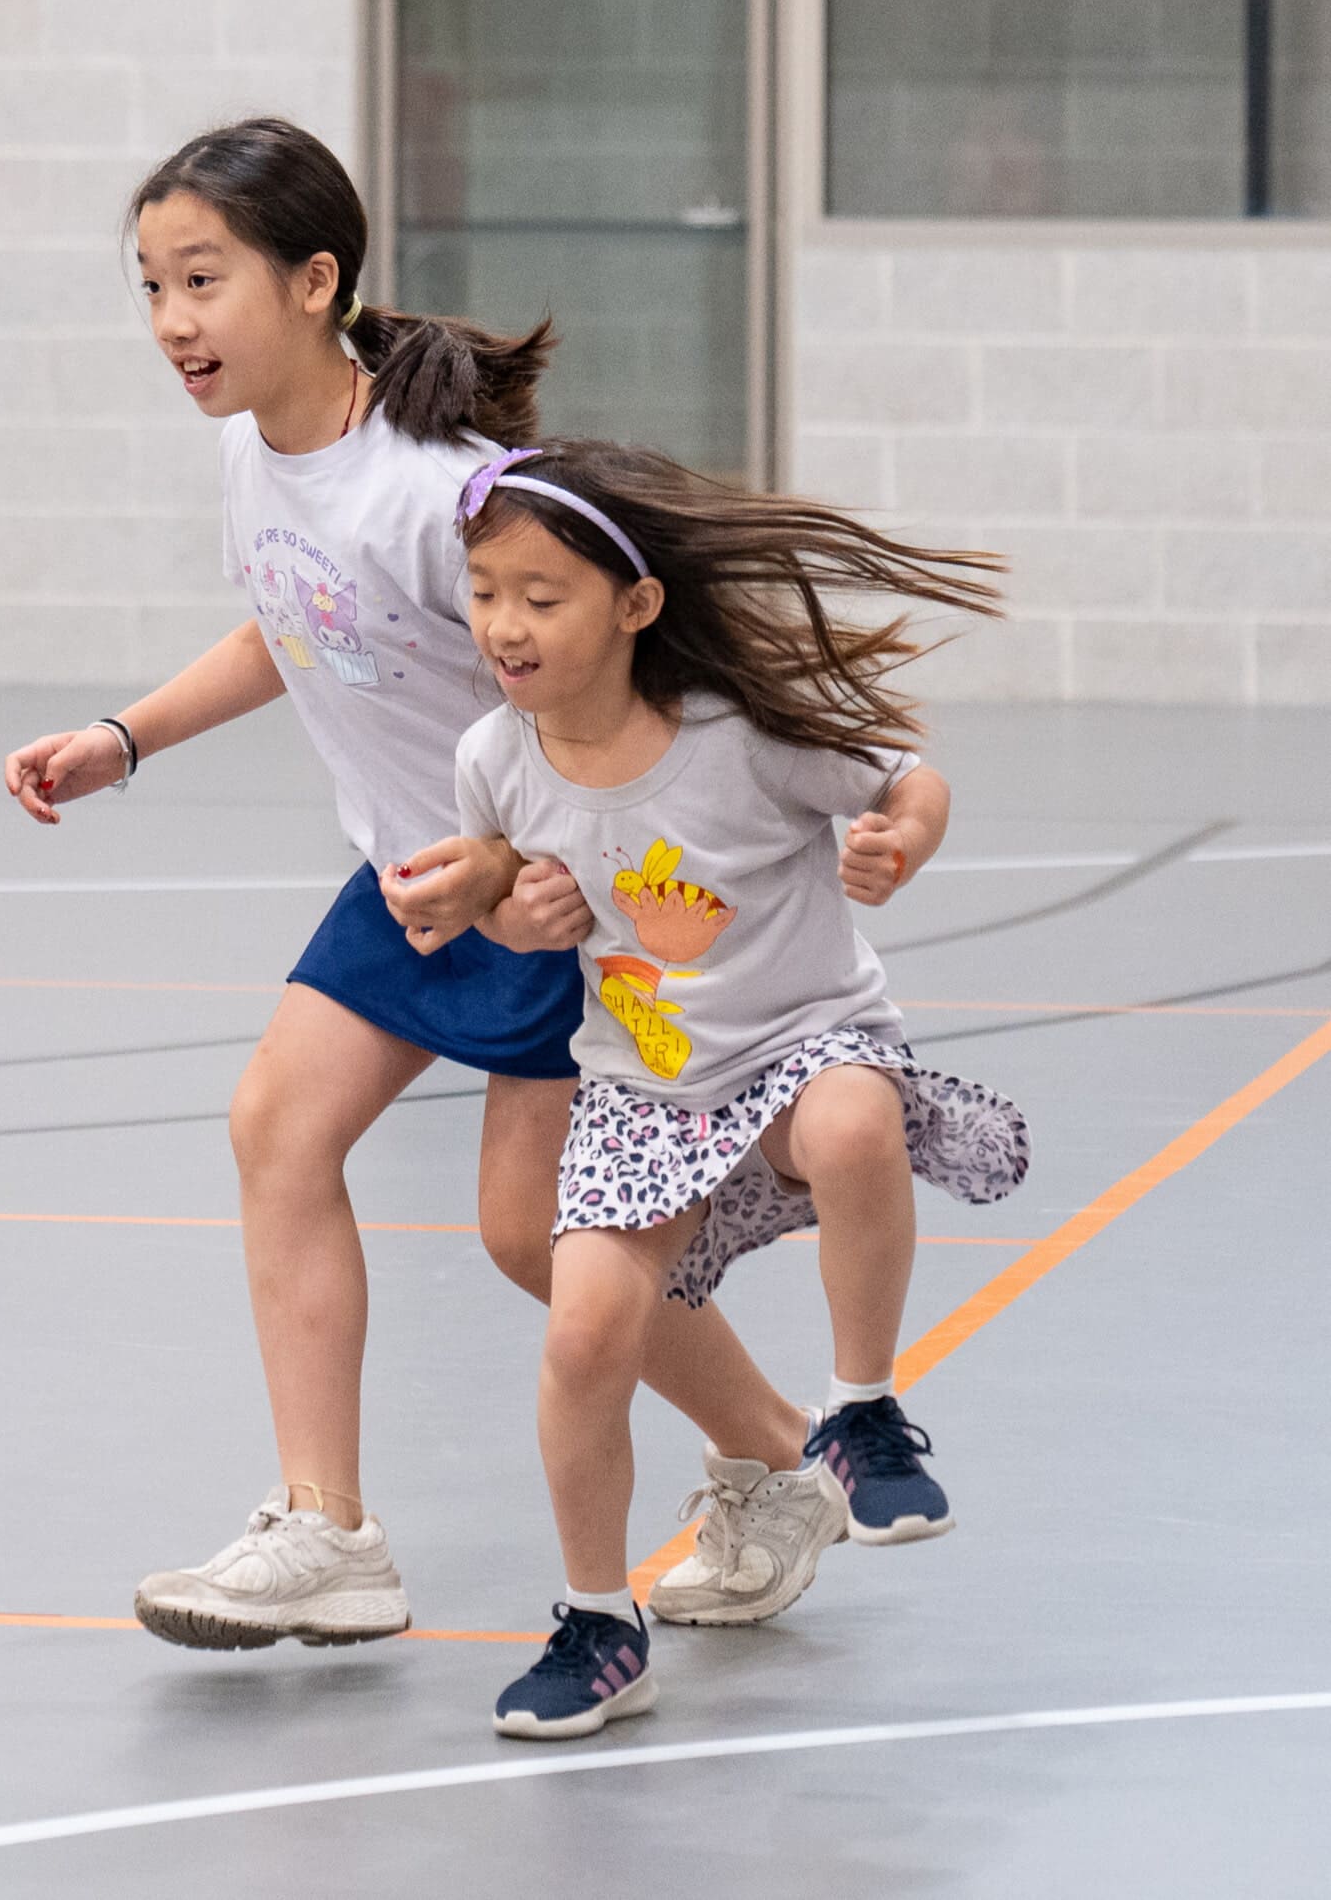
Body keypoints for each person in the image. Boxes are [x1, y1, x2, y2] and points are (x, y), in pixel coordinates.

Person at [0, 118, 826, 1653]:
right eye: (150, 284)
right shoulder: (252, 446)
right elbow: (288, 621)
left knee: (530, 1236)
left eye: (203, 278)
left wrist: (540, 860)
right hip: (406, 868)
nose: (172, 318)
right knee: (276, 1124)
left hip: (538, 886)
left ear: (313, 280)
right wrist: (128, 736)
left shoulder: (444, 493)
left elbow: (594, 667)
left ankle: (777, 1461)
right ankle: (326, 1529)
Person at [411, 439, 1029, 1739]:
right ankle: (596, 1620)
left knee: (855, 1115)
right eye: (481, 590)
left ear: (635, 604)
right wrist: (478, 896)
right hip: (642, 1089)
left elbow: (906, 775)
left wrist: (898, 840)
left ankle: (860, 1415)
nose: (502, 623)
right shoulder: (493, 754)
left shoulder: (742, 734)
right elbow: (515, 884)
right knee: (583, 1335)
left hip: (802, 1038)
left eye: (539, 593)